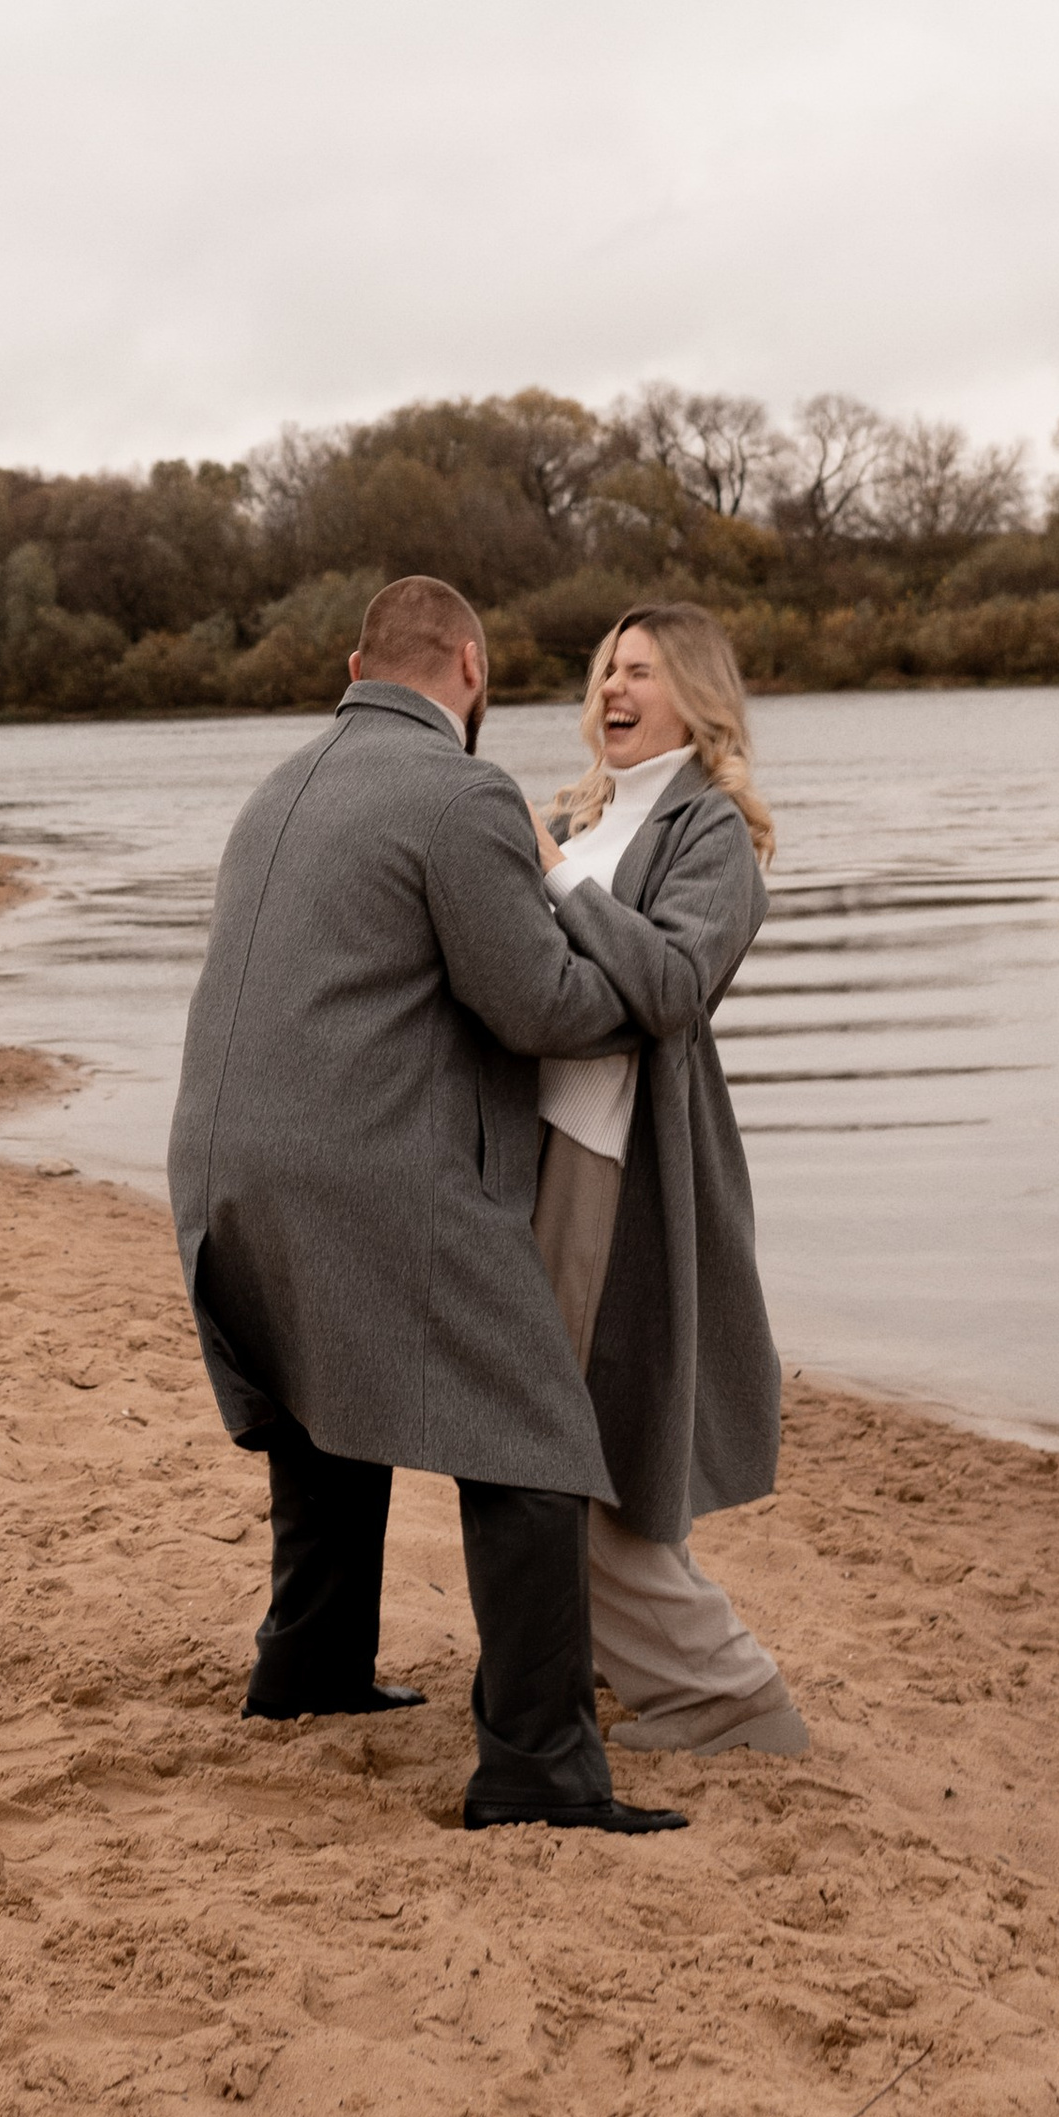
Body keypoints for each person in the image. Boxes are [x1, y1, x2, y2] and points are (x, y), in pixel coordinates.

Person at [168, 574, 689, 1835]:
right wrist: (653, 988)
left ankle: (308, 1673)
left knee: (317, 1407)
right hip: (356, 1165)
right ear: (469, 663)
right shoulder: (459, 793)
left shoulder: (277, 782)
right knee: (532, 1433)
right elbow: (535, 1004)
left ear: (356, 665)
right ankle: (536, 1765)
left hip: (216, 1164)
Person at [526, 602, 807, 1758]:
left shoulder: (712, 836)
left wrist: (554, 881)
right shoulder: (572, 810)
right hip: (533, 1150)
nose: (611, 689)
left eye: (639, 670)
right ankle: (601, 1656)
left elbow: (673, 983)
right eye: (602, 670)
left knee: (574, 1430)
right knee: (576, 1420)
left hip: (619, 1165)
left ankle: (726, 1694)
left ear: (694, 693)